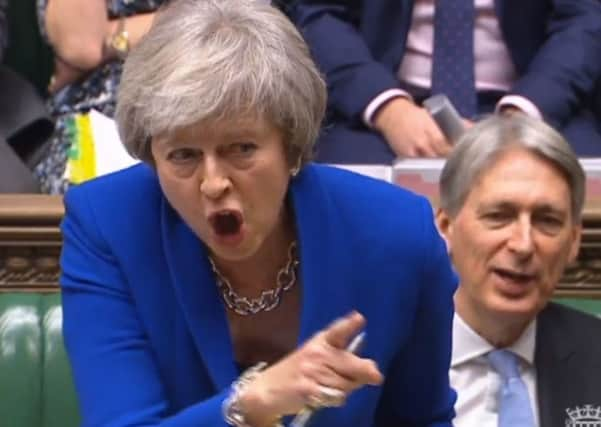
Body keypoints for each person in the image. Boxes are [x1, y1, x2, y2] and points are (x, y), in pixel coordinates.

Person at [60, 1, 457, 426]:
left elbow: (424, 420)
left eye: (242, 149)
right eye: (184, 155)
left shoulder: (397, 235)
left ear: (291, 145)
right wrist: (252, 403)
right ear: (152, 159)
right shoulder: (108, 225)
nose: (213, 182)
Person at [435, 114, 601, 427]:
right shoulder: (385, 359)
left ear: (573, 241)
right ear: (446, 228)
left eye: (547, 221)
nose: (523, 245)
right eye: (499, 216)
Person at [285, 1, 601, 163]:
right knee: (340, 196)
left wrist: (524, 112)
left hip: (535, 101)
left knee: (579, 185)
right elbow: (317, 13)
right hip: (382, 104)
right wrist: (390, 110)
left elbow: (585, 18)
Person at [33, 0, 166, 194]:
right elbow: (82, 44)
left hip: (200, 89)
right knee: (89, 197)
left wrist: (114, 35)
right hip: (98, 106)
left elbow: (221, 24)